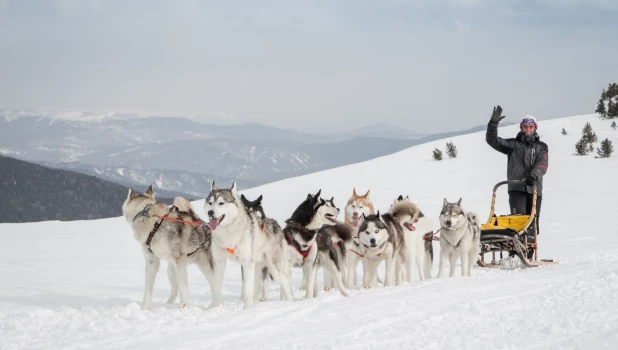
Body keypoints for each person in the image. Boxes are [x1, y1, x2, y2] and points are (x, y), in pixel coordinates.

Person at [485, 105, 548, 251]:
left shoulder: (541, 147)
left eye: (530, 127)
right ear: (521, 127)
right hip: (516, 189)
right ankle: (515, 251)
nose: (528, 129)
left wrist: (534, 175)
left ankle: (530, 251)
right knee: (517, 221)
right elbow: (492, 140)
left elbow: (543, 164)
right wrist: (493, 124)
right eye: (525, 126)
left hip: (534, 189)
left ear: (535, 128)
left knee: (532, 220)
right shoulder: (512, 145)